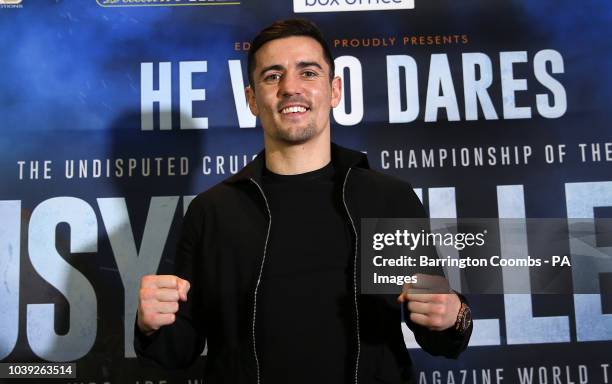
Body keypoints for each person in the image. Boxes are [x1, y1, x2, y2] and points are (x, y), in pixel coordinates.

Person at [135, 19, 472, 384]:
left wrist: (455, 316)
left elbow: (440, 337)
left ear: (335, 90)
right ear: (251, 99)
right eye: (272, 76)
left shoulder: (386, 199)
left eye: (308, 73)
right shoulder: (212, 212)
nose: (290, 88)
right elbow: (177, 350)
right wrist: (150, 324)